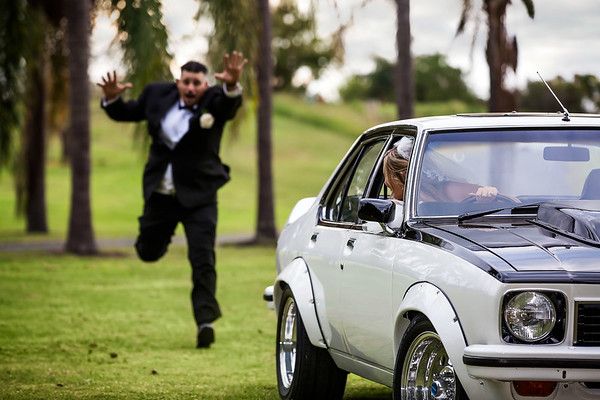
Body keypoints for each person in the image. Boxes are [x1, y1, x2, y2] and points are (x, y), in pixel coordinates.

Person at [97, 51, 247, 349]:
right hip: (161, 195)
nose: (191, 89)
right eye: (186, 82)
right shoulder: (156, 95)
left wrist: (232, 86)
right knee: (147, 252)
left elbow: (229, 105)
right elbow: (126, 113)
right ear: (178, 82)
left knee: (202, 258)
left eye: (197, 84)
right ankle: (156, 239)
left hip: (199, 197)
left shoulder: (214, 100)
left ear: (206, 85)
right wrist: (112, 99)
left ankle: (205, 322)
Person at [383, 136, 498, 201]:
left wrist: (488, 194)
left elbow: (508, 201)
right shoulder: (398, 204)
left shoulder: (449, 189)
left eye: (390, 186)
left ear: (402, 174)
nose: (391, 195)